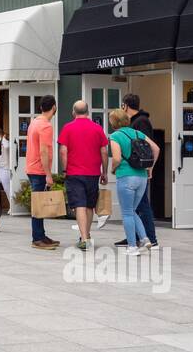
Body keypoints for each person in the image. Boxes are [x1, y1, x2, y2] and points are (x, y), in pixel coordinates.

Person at [58, 100, 109, 251]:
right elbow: (104, 152)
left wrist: (65, 169)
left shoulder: (68, 128)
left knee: (79, 204)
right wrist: (104, 172)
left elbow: (63, 151)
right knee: (89, 205)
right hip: (93, 173)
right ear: (88, 112)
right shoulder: (97, 128)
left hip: (74, 172)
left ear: (74, 112)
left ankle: (85, 238)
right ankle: (86, 235)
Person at [108, 108, 161, 255]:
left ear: (113, 122)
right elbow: (156, 148)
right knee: (132, 211)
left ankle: (132, 247)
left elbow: (117, 158)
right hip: (142, 178)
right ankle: (145, 239)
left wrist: (112, 170)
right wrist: (150, 167)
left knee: (126, 213)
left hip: (126, 177)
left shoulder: (115, 136)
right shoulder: (138, 133)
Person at [26, 95, 60, 250]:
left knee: (38, 203)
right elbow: (44, 151)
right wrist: (48, 174)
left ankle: (41, 235)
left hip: (31, 167)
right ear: (54, 107)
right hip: (39, 169)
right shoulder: (46, 126)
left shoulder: (34, 122)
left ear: (41, 108)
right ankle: (37, 238)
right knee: (39, 205)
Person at [0, 126, 13, 210]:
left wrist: (3, 139)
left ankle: (12, 206)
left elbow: (7, 147)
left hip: (5, 168)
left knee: (7, 189)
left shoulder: (5, 142)